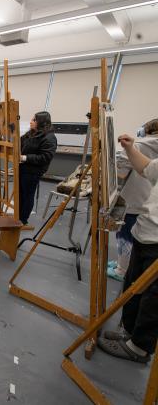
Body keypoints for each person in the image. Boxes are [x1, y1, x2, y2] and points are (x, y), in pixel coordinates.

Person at [97, 132, 158, 364]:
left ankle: (140, 347)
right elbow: (148, 168)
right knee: (133, 287)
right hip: (144, 232)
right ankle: (129, 331)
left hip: (157, 242)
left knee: (152, 299)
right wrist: (131, 149)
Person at [108, 119, 158, 281]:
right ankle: (122, 265)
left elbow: (121, 163)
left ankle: (122, 269)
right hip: (144, 198)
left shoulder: (145, 144)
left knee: (125, 235)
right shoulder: (149, 144)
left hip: (135, 198)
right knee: (128, 235)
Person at [19, 111, 57, 226]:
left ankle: (22, 220)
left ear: (41, 122)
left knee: (28, 195)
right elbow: (19, 142)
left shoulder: (49, 137)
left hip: (33, 172)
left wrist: (25, 157)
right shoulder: (31, 133)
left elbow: (45, 157)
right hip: (23, 168)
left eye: (34, 120)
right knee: (21, 194)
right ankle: (18, 217)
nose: (31, 121)